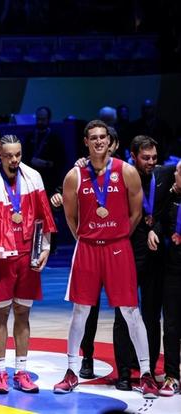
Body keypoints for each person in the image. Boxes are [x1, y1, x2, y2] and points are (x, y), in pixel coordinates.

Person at [53, 120, 159, 399]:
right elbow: (70, 216)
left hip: (118, 248)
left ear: (110, 142)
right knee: (80, 311)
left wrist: (117, 236)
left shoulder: (126, 171)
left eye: (103, 137)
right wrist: (87, 238)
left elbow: (136, 213)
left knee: (131, 312)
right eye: (94, 138)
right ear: (86, 142)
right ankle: (71, 371)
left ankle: (146, 374)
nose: (99, 141)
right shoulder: (74, 176)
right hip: (87, 248)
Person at [0, 135, 56, 394]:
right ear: (0, 155)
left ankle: (21, 371)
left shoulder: (33, 177)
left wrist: (46, 248)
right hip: (1, 256)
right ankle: (0, 372)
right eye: (9, 155)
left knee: (23, 313)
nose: (14, 160)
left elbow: (43, 215)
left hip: (28, 253)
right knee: (1, 313)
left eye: (18, 154)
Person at [109, 136, 176, 388]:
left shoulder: (164, 174)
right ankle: (124, 373)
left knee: (151, 315)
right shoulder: (119, 177)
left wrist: (155, 228)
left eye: (154, 158)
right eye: (145, 158)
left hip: (155, 256)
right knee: (123, 314)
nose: (151, 162)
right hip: (126, 254)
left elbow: (164, 211)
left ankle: (147, 368)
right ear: (133, 155)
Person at [159, 160, 181, 396]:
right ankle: (172, 376)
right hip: (173, 271)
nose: (176, 176)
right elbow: (157, 221)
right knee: (172, 325)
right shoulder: (168, 198)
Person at [22, 106, 65, 196]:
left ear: (48, 119)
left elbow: (61, 161)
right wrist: (31, 161)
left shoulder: (54, 138)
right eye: (38, 119)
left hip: (49, 181)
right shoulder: (30, 136)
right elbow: (24, 157)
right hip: (32, 180)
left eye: (43, 119)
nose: (40, 122)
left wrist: (45, 163)